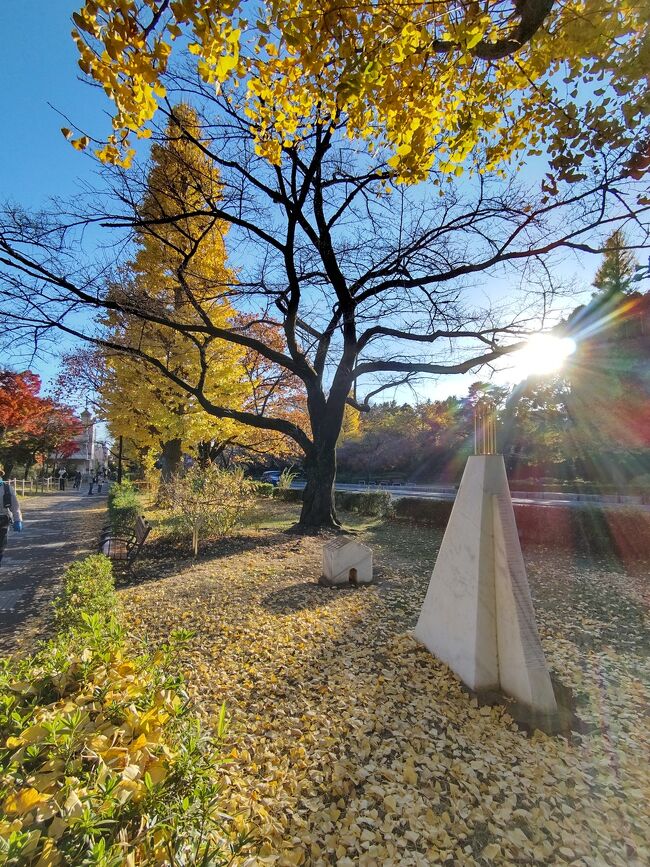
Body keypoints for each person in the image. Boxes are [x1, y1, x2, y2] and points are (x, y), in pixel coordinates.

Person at [0, 464, 23, 567]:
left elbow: (15, 506)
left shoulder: (7, 488)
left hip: (2, 520)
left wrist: (18, 520)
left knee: (1, 547)